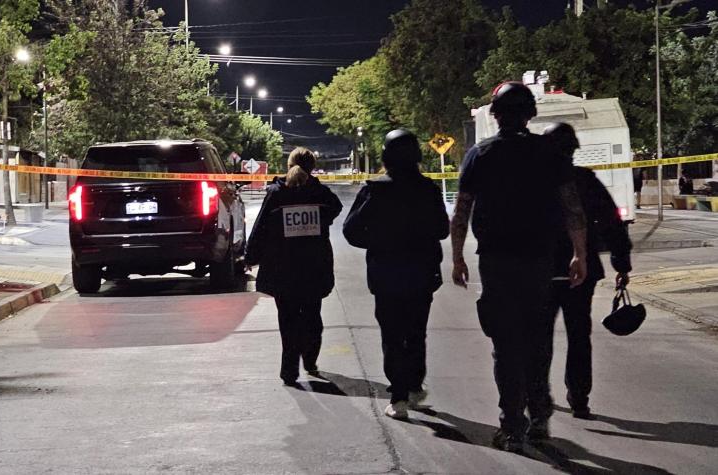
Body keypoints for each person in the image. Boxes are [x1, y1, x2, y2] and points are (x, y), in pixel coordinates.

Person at [450, 82, 588, 453]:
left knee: (505, 345)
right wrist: (580, 253)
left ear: (494, 115)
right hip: (539, 263)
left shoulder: (480, 155)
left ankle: (512, 425)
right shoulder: (549, 154)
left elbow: (462, 209)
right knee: (537, 340)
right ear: (531, 114)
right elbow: (572, 207)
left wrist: (457, 256)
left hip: (496, 263)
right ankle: (539, 416)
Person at [343, 129, 450, 420]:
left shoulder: (376, 190)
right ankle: (414, 386)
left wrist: (378, 241)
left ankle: (399, 396)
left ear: (386, 157)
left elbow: (351, 231)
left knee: (392, 334)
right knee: (416, 333)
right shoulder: (428, 189)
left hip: (386, 274)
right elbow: (442, 229)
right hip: (421, 274)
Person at [539, 123, 633, 422]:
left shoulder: (531, 184)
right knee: (579, 334)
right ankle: (579, 398)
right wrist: (621, 263)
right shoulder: (586, 180)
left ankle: (538, 395)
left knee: (540, 337)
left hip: (540, 271)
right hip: (582, 271)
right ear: (572, 150)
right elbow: (612, 223)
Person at [246, 147, 343, 386]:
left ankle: (289, 371)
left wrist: (250, 257)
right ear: (311, 167)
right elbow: (336, 208)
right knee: (312, 317)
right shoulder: (319, 193)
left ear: (289, 165)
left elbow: (260, 228)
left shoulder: (277, 193)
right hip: (313, 267)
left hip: (283, 269)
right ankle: (310, 361)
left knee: (287, 320)